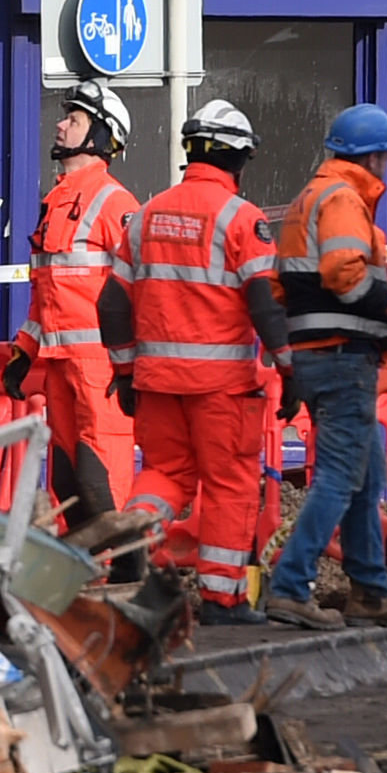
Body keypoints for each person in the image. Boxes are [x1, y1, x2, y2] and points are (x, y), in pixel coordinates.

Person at [105, 99, 289, 618]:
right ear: (238, 159)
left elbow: (111, 303)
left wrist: (124, 371)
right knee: (230, 484)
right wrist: (289, 365)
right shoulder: (241, 218)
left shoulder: (144, 216)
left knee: (163, 475)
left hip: (156, 382)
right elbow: (264, 302)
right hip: (221, 388)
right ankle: (221, 597)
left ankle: (133, 540)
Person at [256, 104, 387, 632]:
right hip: (341, 357)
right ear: (373, 157)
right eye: (385, 157)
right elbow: (342, 270)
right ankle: (290, 586)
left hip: (321, 356)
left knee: (365, 473)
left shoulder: (312, 198)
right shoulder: (343, 199)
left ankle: (370, 592)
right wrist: (381, 308)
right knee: (340, 477)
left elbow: (283, 286)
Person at [1, 79, 139, 530]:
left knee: (103, 481)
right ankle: (79, 583)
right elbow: (45, 293)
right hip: (61, 366)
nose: (60, 126)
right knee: (67, 482)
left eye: (74, 119)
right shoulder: (55, 201)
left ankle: (119, 575)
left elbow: (140, 287)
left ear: (100, 135)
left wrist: (132, 365)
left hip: (102, 367)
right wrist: (24, 351)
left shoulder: (115, 201)